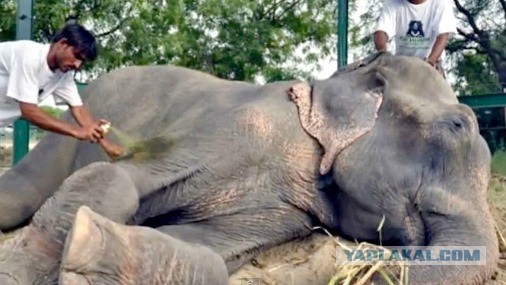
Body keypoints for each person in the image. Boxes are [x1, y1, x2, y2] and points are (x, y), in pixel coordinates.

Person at [0, 23, 124, 158]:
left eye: (82, 62)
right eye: (76, 56)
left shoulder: (64, 74)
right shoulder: (29, 56)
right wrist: (77, 131)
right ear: (62, 43)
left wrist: (107, 146)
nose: (77, 65)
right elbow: (29, 111)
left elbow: (78, 108)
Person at [372, 0, 458, 76]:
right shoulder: (393, 3)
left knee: (441, 92)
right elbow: (381, 31)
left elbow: (442, 36)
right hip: (401, 65)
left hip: (430, 64)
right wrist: (383, 54)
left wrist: (430, 62)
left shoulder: (441, 3)